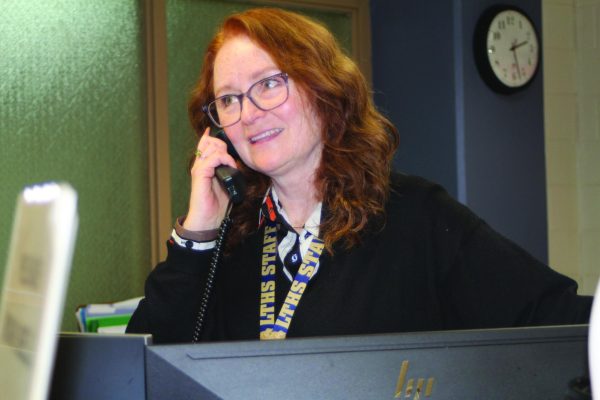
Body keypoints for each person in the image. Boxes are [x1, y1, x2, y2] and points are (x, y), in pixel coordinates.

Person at [126, 8, 592, 343]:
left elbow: (557, 320)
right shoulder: (231, 238)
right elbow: (143, 368)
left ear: (323, 91)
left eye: (268, 83)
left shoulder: (416, 216)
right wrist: (199, 232)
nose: (247, 113)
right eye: (228, 99)